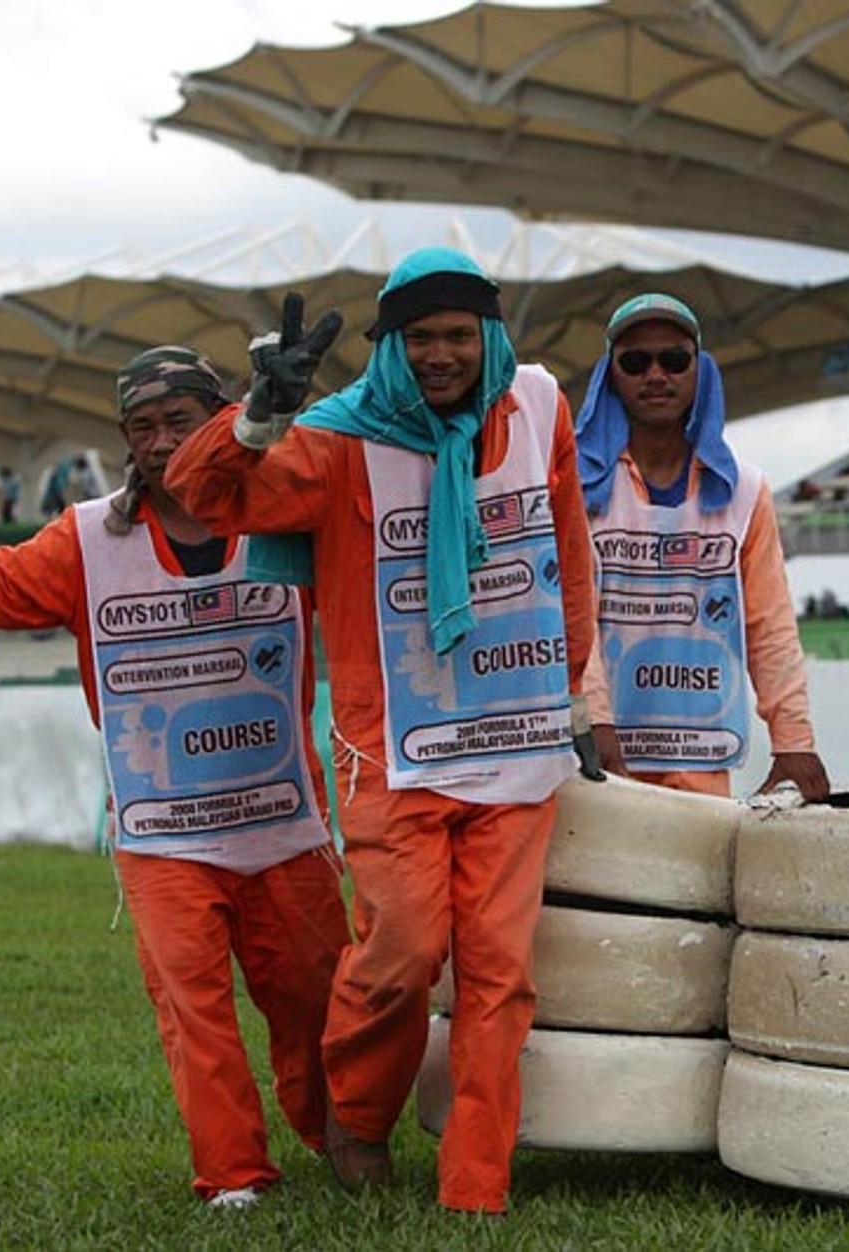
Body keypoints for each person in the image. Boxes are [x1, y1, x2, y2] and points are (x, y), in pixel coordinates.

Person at [0, 345, 351, 1210]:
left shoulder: (284, 517)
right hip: (165, 834)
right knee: (193, 1008)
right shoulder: (91, 538)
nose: (158, 441)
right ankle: (233, 1174)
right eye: (140, 428)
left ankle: (335, 1133)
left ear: (221, 420)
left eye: (179, 421)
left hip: (282, 824)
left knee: (317, 1003)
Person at [165, 247, 598, 1216]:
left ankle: (474, 1185)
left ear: (487, 334)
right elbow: (207, 493)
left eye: (455, 334)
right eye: (418, 338)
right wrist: (256, 413)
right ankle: (356, 1114)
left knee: (498, 972)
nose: (439, 354)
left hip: (516, 745)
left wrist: (575, 693)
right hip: (393, 753)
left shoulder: (537, 406)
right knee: (402, 950)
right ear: (390, 347)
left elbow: (567, 548)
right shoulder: (334, 439)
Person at [573, 293, 830, 800]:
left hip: (699, 749)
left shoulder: (745, 492)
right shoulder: (576, 488)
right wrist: (595, 720)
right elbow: (571, 616)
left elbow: (770, 623)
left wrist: (794, 740)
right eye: (634, 361)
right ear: (611, 377)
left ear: (699, 371)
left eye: (673, 359)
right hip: (602, 752)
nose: (655, 375)